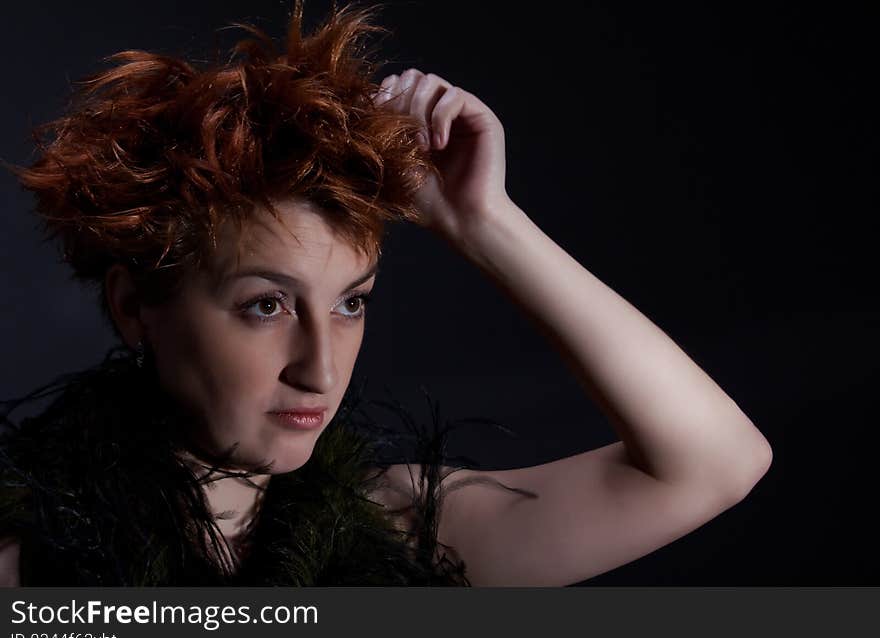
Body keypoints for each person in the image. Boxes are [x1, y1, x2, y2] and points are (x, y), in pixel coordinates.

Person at [0, 0, 772, 587]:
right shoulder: (21, 558)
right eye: (266, 304)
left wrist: (483, 222)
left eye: (351, 302)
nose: (321, 369)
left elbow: (712, 462)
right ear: (135, 307)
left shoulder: (399, 529)